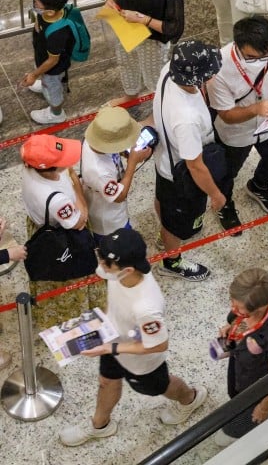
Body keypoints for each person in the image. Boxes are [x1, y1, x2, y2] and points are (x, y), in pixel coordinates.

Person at [58, 228, 207, 447]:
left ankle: (190, 398)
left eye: (106, 262)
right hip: (113, 342)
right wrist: (100, 326)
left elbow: (158, 344)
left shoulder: (146, 307)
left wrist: (112, 349)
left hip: (141, 363)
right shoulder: (119, 276)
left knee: (160, 386)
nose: (100, 265)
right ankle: (99, 425)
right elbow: (115, 303)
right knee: (106, 381)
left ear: (127, 269)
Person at [207, 17, 268, 227]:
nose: (258, 60)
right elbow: (226, 114)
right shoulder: (219, 68)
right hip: (236, 131)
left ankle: (259, 185)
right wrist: (255, 109)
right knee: (226, 174)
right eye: (250, 57)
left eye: (264, 55)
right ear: (237, 46)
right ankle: (224, 203)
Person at [153, 40, 226, 282]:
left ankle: (166, 228)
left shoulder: (168, 71)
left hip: (164, 159)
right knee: (176, 224)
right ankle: (172, 261)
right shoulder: (186, 119)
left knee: (163, 202)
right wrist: (216, 195)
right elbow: (195, 166)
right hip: (180, 175)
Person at [20, 133, 102, 330]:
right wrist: (76, 185)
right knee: (69, 275)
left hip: (39, 224)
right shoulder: (57, 200)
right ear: (48, 169)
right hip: (61, 237)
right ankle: (76, 315)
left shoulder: (28, 166)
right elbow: (79, 221)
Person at [214, 268, 268, 447]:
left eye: (239, 308)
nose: (233, 309)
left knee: (246, 407)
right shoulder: (262, 293)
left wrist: (264, 407)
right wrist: (230, 325)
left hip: (257, 380)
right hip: (241, 360)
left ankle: (241, 430)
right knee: (235, 392)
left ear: (259, 308)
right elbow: (237, 316)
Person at [80, 106, 151, 237]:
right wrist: (132, 163)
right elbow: (119, 196)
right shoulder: (99, 171)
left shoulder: (94, 139)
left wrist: (125, 152)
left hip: (111, 209)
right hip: (110, 223)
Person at [22, 0, 73, 125]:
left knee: (54, 91)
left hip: (53, 69)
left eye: (36, 4)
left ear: (50, 11)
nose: (34, 6)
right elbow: (39, 22)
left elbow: (52, 61)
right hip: (44, 58)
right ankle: (45, 83)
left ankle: (56, 114)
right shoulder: (47, 13)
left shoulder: (57, 34)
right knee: (47, 81)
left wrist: (33, 75)